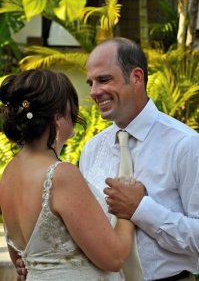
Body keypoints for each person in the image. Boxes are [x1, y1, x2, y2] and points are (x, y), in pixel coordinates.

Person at [79, 37, 199, 280]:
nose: (94, 92)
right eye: (90, 83)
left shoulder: (185, 144)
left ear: (136, 77)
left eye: (103, 79)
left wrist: (141, 209)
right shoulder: (91, 150)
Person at [0, 69, 134, 281]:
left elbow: (22, 259)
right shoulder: (60, 175)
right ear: (58, 117)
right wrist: (128, 211)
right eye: (72, 111)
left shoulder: (9, 174)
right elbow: (114, 258)